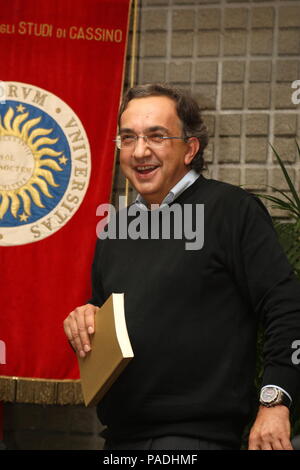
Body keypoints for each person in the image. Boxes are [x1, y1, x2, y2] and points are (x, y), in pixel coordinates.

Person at [63, 83, 300, 451]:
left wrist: (274, 402)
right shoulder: (114, 229)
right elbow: (104, 316)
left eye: (156, 136)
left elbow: (286, 306)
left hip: (196, 438)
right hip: (119, 439)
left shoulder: (232, 211)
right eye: (128, 138)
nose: (140, 151)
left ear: (190, 149)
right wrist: (85, 320)